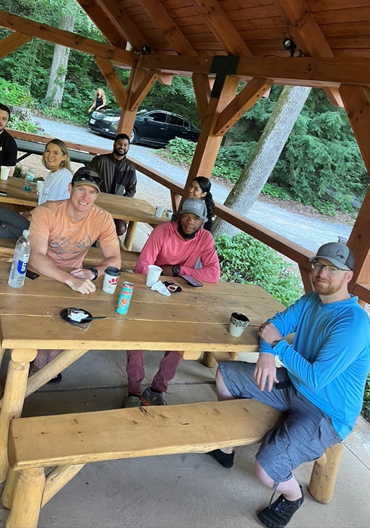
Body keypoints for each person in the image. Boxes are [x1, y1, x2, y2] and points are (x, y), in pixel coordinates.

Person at [207, 242, 370, 528]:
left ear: (348, 277)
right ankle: (228, 446)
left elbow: (317, 377)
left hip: (326, 412)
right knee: (225, 374)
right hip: (294, 386)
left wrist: (277, 348)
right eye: (319, 265)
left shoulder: (353, 323)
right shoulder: (312, 301)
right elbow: (273, 326)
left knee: (267, 471)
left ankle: (293, 498)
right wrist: (268, 356)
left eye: (333, 269)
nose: (322, 273)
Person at [125, 198, 220, 408]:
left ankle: (158, 388)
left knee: (181, 339)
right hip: (150, 289)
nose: (189, 222)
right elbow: (142, 267)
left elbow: (214, 273)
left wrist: (178, 270)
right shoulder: (162, 231)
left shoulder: (204, 238)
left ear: (202, 221)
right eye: (185, 216)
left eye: (196, 218)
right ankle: (133, 389)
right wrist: (163, 275)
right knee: (136, 336)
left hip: (179, 294)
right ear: (178, 217)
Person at [28, 166, 121, 379]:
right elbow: (36, 257)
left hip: (75, 274)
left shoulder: (103, 218)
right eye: (81, 189)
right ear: (70, 188)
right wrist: (69, 279)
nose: (85, 196)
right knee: (41, 313)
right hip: (41, 272)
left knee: (78, 315)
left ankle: (49, 359)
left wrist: (93, 273)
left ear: (98, 195)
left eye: (92, 191)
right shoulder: (46, 212)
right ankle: (40, 360)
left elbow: (115, 258)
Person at [0, 139, 73, 239]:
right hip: (39, 221)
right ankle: (20, 235)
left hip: (47, 228)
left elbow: (53, 206)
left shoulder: (63, 175)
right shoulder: (51, 174)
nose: (50, 155)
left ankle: (30, 239)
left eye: (56, 153)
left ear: (64, 157)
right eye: (47, 151)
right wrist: (32, 213)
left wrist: (32, 216)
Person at [89, 133, 137, 236]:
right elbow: (88, 180)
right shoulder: (100, 160)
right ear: (114, 144)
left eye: (125, 145)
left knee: (120, 229)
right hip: (97, 202)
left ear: (128, 147)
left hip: (117, 206)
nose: (122, 147)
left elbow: (131, 189)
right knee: (94, 225)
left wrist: (121, 201)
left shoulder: (130, 167)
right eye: (119, 143)